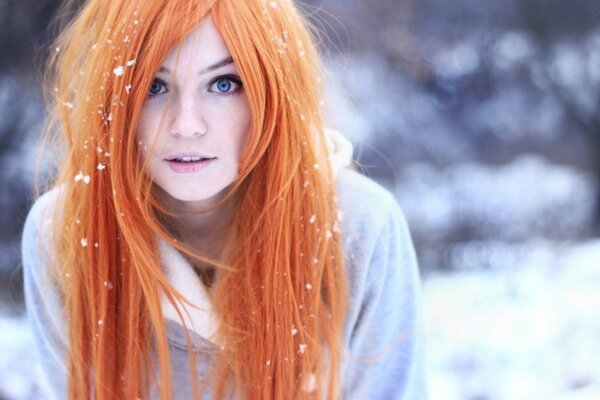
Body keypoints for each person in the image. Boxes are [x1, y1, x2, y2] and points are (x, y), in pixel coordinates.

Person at [22, 0, 427, 398]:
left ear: (274, 90)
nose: (186, 125)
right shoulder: (65, 229)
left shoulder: (356, 224)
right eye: (153, 85)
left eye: (223, 83)